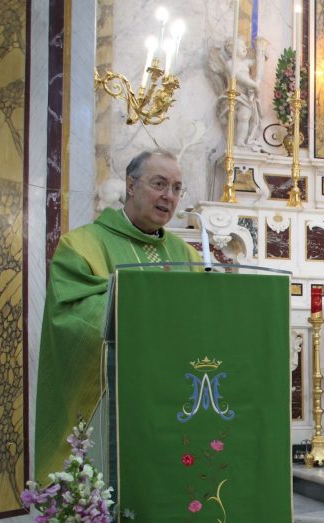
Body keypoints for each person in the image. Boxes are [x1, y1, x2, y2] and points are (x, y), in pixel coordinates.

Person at [34, 150, 200, 480]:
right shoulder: (81, 246)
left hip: (175, 401)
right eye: (159, 184)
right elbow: (71, 320)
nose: (168, 196)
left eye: (176, 188)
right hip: (113, 404)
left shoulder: (187, 255)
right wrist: (148, 306)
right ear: (131, 185)